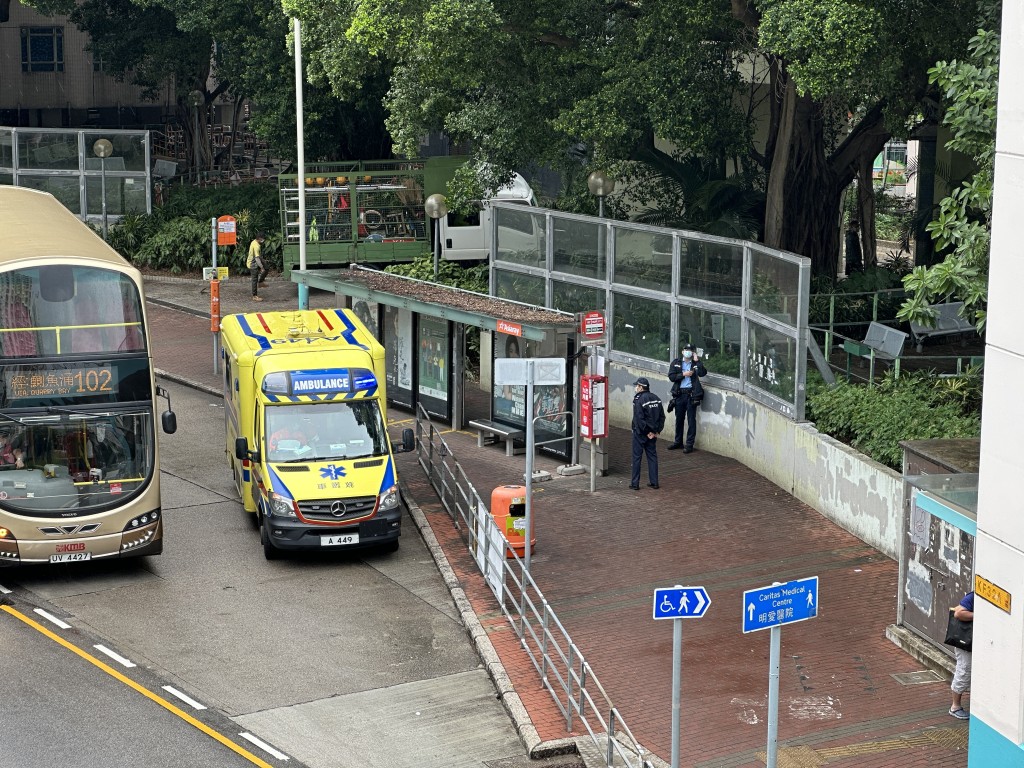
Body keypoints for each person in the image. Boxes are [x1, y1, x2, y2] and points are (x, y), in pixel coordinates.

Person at [667, 343, 707, 453]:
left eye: (690, 350)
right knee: (679, 419)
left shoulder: (695, 364)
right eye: (686, 349)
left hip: (691, 395)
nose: (687, 351)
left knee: (691, 420)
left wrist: (697, 360)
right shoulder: (676, 363)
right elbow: (671, 377)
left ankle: (689, 444)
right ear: (682, 351)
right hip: (679, 394)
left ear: (693, 352)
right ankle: (678, 442)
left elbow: (703, 373)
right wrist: (683, 374)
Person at [630, 377, 665, 490]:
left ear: (641, 387)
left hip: (640, 434)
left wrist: (646, 432)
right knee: (652, 457)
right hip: (652, 435)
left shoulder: (639, 399)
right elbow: (661, 417)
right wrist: (655, 432)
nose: (635, 388)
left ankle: (635, 484)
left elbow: (639, 419)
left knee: (637, 458)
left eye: (637, 386)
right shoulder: (656, 399)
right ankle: (654, 482)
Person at [949, 590, 974, 720]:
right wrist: (978, 615)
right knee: (964, 670)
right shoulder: (973, 596)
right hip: (965, 644)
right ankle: (955, 707)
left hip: (971, 643)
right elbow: (958, 612)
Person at [247, 231, 268, 302]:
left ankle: (261, 282)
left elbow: (258, 256)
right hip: (252, 263)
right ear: (259, 238)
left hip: (257, 258)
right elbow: (256, 258)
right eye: (262, 239)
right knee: (254, 279)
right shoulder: (256, 245)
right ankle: (254, 296)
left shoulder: (255, 242)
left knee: (267, 268)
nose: (263, 240)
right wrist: (261, 267)